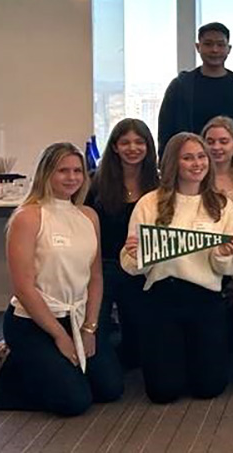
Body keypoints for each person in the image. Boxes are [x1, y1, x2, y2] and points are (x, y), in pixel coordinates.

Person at [0, 143, 123, 416]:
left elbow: (95, 277)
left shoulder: (88, 216)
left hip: (76, 318)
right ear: (46, 173)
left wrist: (89, 329)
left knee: (110, 390)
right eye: (63, 171)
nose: (72, 177)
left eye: (77, 171)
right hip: (33, 322)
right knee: (75, 402)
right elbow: (23, 287)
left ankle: (49, 370)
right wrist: (60, 336)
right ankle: (10, 372)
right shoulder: (28, 216)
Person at [120, 132, 233, 404]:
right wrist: (139, 255)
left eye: (201, 157)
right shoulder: (149, 203)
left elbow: (228, 269)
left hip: (206, 298)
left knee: (208, 388)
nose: (197, 163)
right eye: (188, 158)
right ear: (174, 162)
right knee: (163, 392)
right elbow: (131, 266)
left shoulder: (222, 205)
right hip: (162, 297)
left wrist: (223, 254)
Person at [86, 119, 158, 368]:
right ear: (115, 147)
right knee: (98, 336)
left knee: (137, 349)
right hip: (103, 268)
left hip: (140, 268)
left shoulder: (158, 186)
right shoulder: (96, 182)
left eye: (139, 142)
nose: (132, 148)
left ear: (148, 146)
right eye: (125, 142)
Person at [158, 22, 233, 173]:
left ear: (229, 49)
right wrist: (168, 170)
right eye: (208, 44)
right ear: (198, 47)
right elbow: (166, 133)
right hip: (190, 173)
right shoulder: (180, 87)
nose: (214, 50)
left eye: (220, 45)